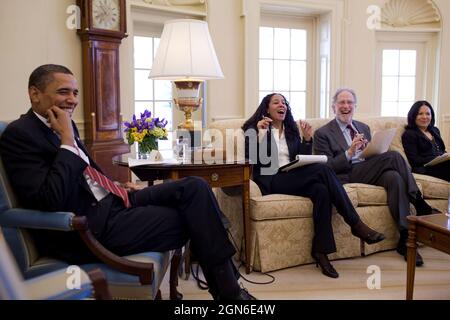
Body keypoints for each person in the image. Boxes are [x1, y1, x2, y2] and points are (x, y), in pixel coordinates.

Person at [0, 64, 255, 300]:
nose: (73, 100)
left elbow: (87, 169)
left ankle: (228, 290)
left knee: (195, 187)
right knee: (197, 218)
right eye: (63, 92)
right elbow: (49, 198)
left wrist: (115, 184)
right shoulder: (20, 135)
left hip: (113, 201)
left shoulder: (63, 124)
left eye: (75, 92)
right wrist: (67, 140)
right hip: (88, 227)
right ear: (35, 93)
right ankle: (230, 293)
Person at [242, 93, 385, 279]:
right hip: (272, 179)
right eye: (276, 102)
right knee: (323, 170)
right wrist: (259, 136)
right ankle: (355, 223)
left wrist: (307, 140)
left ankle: (321, 252)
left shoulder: (291, 129)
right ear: (266, 108)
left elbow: (300, 159)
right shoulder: (253, 129)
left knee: (322, 191)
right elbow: (251, 160)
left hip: (292, 176)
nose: (282, 105)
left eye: (284, 102)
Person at [313, 88, 441, 267]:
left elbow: (370, 156)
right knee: (395, 156)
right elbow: (327, 167)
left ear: (355, 106)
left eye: (350, 102)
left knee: (395, 177)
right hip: (347, 174)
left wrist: (370, 149)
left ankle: (404, 238)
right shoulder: (322, 133)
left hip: (367, 169)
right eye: (341, 102)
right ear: (333, 107)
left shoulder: (362, 127)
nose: (345, 106)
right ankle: (419, 203)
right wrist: (349, 152)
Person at [402, 100, 450, 182]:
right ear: (413, 116)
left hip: (440, 164)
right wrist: (436, 159)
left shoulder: (435, 130)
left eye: (428, 114)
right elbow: (414, 160)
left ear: (431, 116)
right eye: (420, 114)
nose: (425, 117)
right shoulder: (409, 134)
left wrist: (445, 156)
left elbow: (441, 150)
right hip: (424, 168)